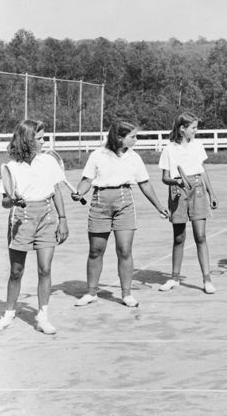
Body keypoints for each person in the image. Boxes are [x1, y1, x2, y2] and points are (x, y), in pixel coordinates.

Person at [71, 119, 170, 308]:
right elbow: (86, 180)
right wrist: (79, 192)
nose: (136, 140)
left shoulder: (134, 157)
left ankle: (126, 294)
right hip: (99, 203)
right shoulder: (98, 155)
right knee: (95, 251)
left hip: (124, 203)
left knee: (124, 250)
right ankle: (91, 292)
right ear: (119, 137)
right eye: (132, 137)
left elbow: (145, 184)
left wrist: (159, 206)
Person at [0, 120, 71, 335]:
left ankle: (42, 316)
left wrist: (63, 219)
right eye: (40, 138)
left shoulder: (48, 162)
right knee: (16, 271)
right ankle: (8, 315)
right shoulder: (12, 166)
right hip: (21, 219)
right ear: (27, 140)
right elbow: (5, 201)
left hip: (47, 217)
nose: (44, 142)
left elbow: (56, 191)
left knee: (45, 269)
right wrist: (14, 201)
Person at [157, 112, 219, 294]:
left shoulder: (198, 146)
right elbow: (165, 178)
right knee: (179, 237)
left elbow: (202, 171)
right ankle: (174, 278)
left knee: (201, 236)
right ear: (182, 129)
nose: (196, 131)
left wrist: (211, 193)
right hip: (177, 192)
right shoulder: (169, 149)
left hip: (198, 190)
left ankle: (207, 280)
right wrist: (176, 182)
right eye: (193, 128)